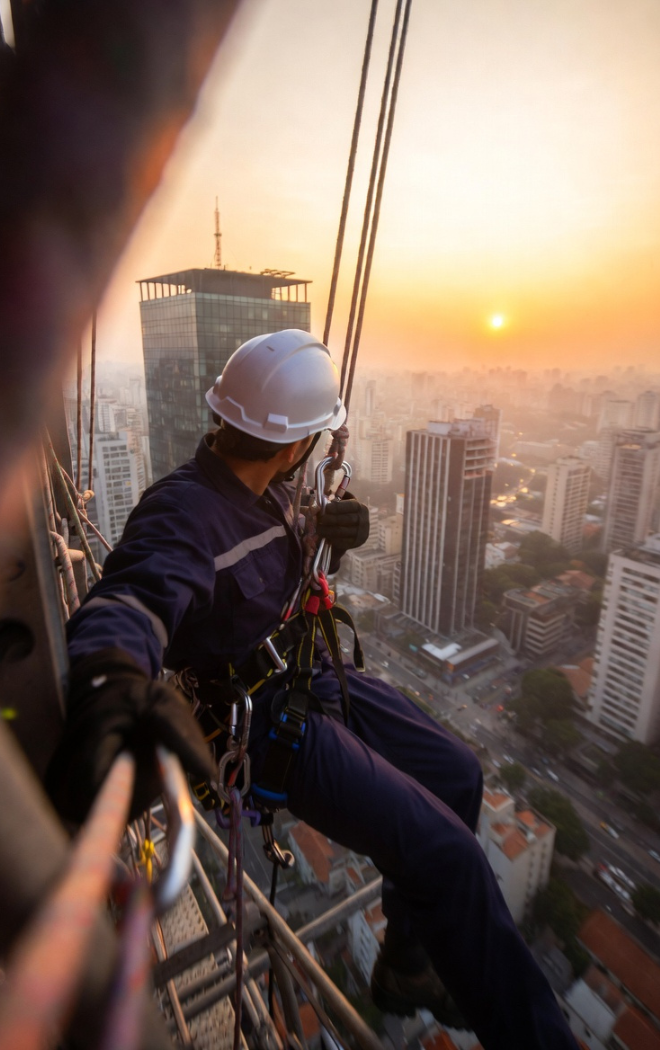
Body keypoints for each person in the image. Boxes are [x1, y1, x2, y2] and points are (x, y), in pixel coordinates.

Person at [48, 330, 580, 1050]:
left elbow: (290, 566)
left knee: (461, 773)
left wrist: (337, 532)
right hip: (262, 721)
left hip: (314, 673)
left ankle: (408, 962)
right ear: (295, 441)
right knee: (448, 855)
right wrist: (111, 674)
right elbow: (133, 594)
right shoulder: (185, 511)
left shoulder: (271, 490)